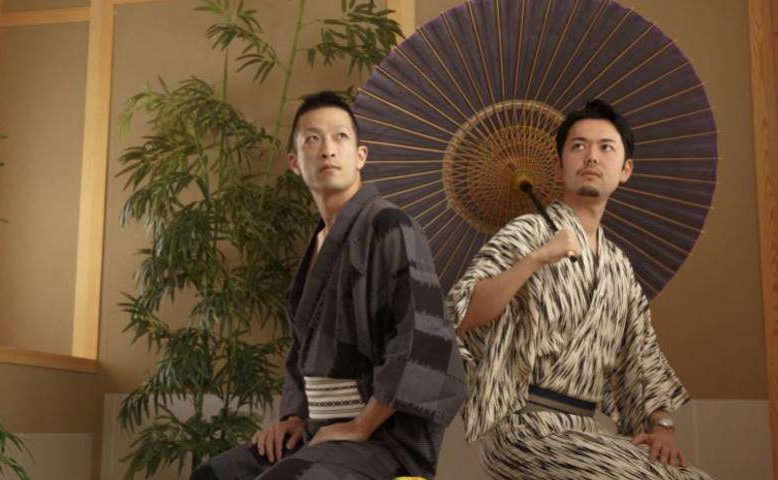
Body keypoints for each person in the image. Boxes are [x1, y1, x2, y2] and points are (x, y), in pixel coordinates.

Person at [191, 91, 466, 480]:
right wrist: (293, 416)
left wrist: (361, 426)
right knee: (213, 475)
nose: (327, 150)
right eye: (312, 139)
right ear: (294, 162)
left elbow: (423, 340)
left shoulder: (391, 226)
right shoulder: (320, 241)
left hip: (382, 437)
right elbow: (303, 351)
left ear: (361, 156)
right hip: (317, 431)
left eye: (340, 136)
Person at [448, 99, 713, 479]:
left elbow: (642, 354)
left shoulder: (618, 266)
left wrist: (662, 427)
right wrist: (536, 258)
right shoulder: (528, 232)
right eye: (578, 146)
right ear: (559, 167)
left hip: (584, 431)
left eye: (606, 147)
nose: (591, 157)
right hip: (524, 430)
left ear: (625, 169)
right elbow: (466, 313)